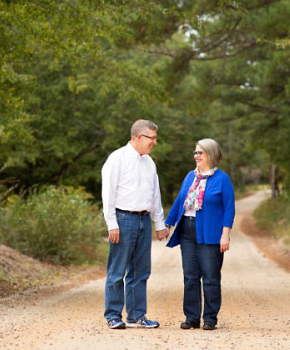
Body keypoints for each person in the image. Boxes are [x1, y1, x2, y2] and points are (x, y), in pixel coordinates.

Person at [101, 119, 169, 330]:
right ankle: (113, 315)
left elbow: (154, 194)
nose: (154, 143)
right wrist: (111, 223)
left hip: (143, 220)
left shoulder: (149, 163)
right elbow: (108, 193)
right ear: (139, 137)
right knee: (117, 270)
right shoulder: (117, 158)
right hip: (123, 219)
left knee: (141, 272)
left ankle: (136, 316)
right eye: (152, 138)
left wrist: (159, 223)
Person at [164, 138, 236, 331]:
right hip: (187, 230)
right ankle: (192, 318)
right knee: (190, 276)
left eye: (200, 153)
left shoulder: (222, 179)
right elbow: (180, 201)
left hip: (210, 233)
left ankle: (210, 318)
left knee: (211, 277)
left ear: (211, 155)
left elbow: (229, 209)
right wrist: (168, 223)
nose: (196, 156)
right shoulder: (190, 176)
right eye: (195, 152)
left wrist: (225, 235)